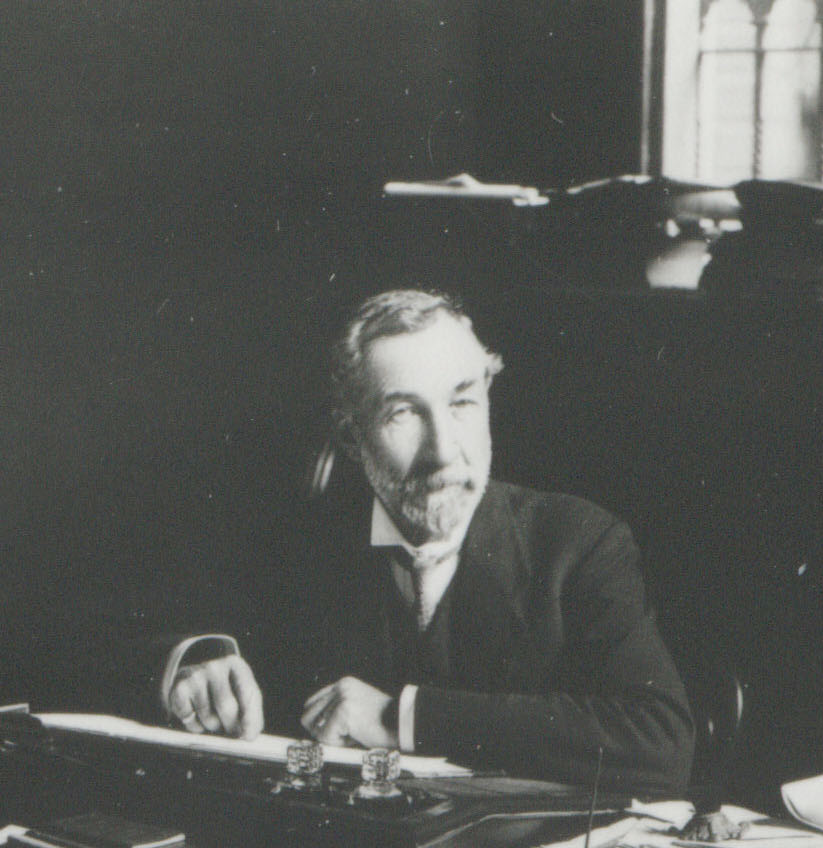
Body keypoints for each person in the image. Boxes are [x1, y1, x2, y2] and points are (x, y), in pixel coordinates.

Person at [159, 289, 694, 794]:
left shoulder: (578, 542)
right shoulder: (296, 545)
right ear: (351, 437)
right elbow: (135, 640)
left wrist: (403, 719)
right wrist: (200, 664)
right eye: (405, 413)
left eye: (462, 403)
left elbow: (660, 742)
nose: (443, 451)